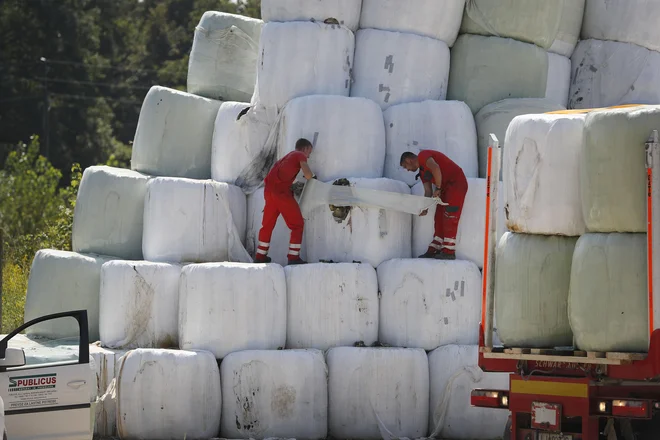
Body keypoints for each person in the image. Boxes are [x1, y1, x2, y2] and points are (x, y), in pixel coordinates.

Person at [255, 138, 315, 265]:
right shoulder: (299, 155)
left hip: (269, 192)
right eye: (309, 152)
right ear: (304, 149)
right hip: (281, 193)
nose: (309, 156)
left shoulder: (286, 157)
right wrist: (313, 178)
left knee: (267, 225)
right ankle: (293, 257)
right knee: (297, 224)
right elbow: (308, 175)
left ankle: (260, 256)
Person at [400, 150, 468, 260]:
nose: (407, 170)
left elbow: (436, 168)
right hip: (445, 188)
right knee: (439, 216)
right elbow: (428, 191)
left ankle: (449, 251)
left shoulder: (423, 156)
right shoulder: (422, 173)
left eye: (405, 166)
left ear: (409, 160)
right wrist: (424, 207)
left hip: (456, 183)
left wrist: (438, 188)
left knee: (450, 214)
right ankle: (435, 248)